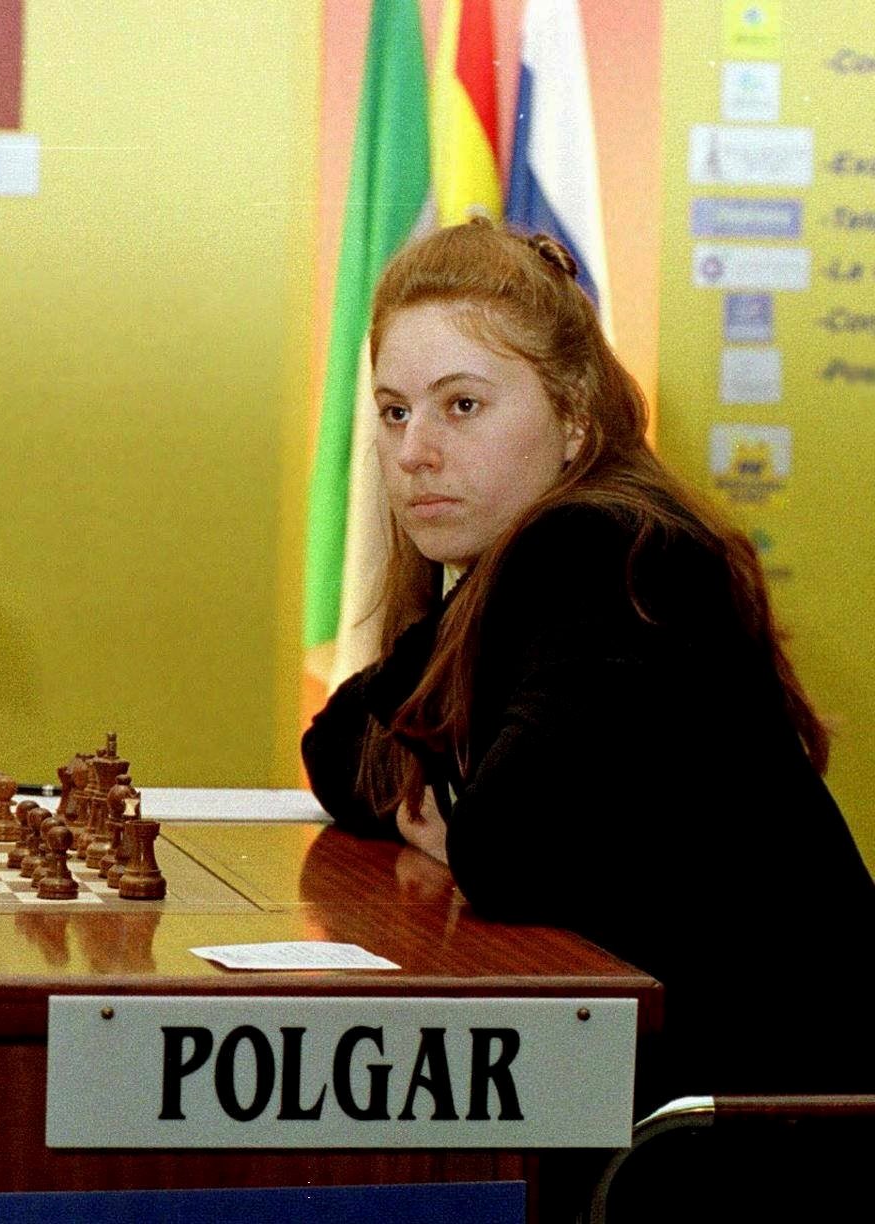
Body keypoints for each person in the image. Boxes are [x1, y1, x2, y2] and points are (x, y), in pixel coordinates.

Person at [302, 219, 875, 1106]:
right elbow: (337, 752)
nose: (415, 452)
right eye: (394, 411)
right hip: (681, 1092)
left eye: (463, 405)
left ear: (573, 419)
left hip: (758, 1126)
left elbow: (507, 849)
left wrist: (468, 824)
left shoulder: (608, 547)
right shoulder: (517, 567)